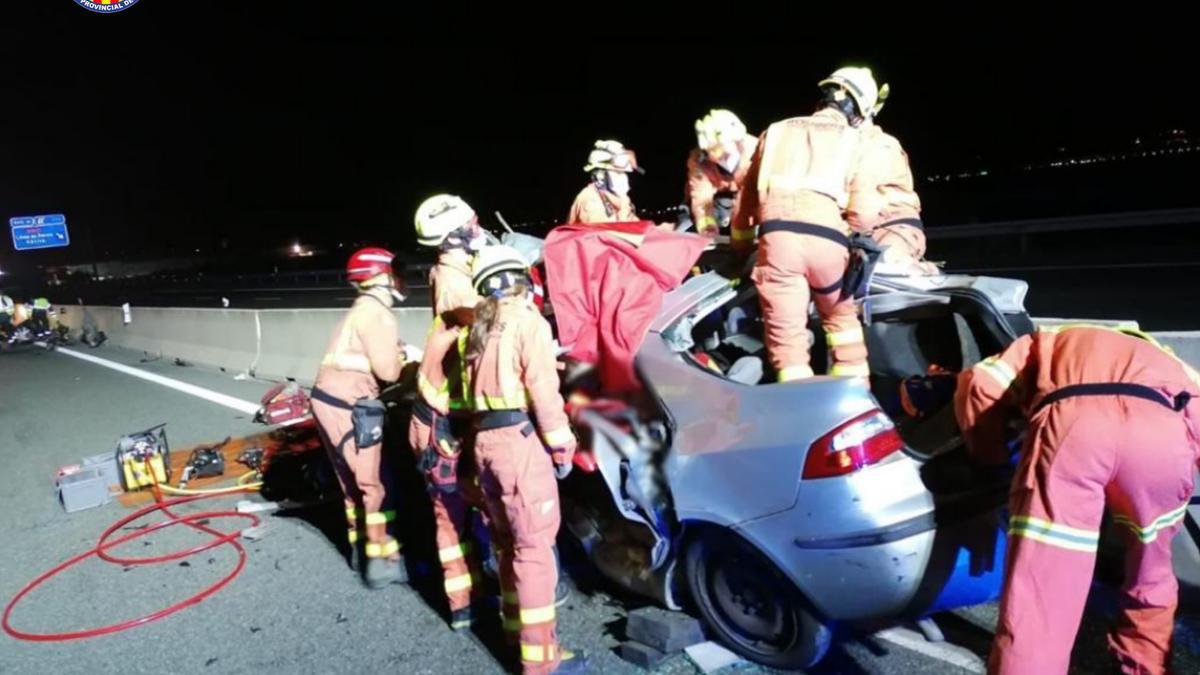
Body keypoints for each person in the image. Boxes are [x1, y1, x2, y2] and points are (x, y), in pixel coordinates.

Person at [955, 325, 1200, 674]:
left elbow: (980, 384)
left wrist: (989, 458)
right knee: (1152, 573)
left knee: (1043, 594)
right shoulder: (1169, 360)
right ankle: (1145, 665)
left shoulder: (1046, 339)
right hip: (1159, 442)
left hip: (1071, 435)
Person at [465, 245, 587, 674]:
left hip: (484, 445)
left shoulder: (479, 331)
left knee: (507, 545)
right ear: (521, 279)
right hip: (519, 446)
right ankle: (542, 664)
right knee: (534, 551)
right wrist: (561, 447)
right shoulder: (527, 321)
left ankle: (516, 635)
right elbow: (542, 393)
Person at [730, 66, 890, 380]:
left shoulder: (775, 131)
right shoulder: (854, 140)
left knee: (787, 342)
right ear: (857, 109)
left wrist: (740, 249)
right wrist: (858, 238)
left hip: (778, 247)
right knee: (842, 325)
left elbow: (745, 203)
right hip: (829, 245)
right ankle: (855, 404)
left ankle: (803, 413)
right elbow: (866, 207)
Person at [310, 247, 411, 588]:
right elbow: (389, 372)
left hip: (330, 401)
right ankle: (383, 562)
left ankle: (360, 551)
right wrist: (405, 358)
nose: (401, 278)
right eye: (395, 271)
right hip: (348, 405)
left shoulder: (361, 309)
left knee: (352, 484)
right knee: (375, 485)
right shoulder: (378, 313)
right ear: (380, 276)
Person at [409, 193, 487, 629]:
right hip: (442, 423)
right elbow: (481, 344)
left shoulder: (453, 273)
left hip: (439, 417)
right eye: (472, 223)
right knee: (453, 512)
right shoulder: (457, 288)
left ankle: (467, 598)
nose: (479, 226)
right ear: (455, 235)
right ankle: (465, 600)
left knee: (456, 511)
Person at [686, 109, 757, 237]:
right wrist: (707, 227)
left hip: (749, 201)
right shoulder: (699, 160)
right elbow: (702, 199)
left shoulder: (757, 151)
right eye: (712, 151)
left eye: (722, 150)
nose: (719, 157)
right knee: (687, 230)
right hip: (716, 203)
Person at [566, 140, 643, 225]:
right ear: (600, 176)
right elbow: (605, 235)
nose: (624, 178)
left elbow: (637, 228)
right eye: (618, 173)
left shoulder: (622, 200)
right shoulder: (590, 199)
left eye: (624, 173)